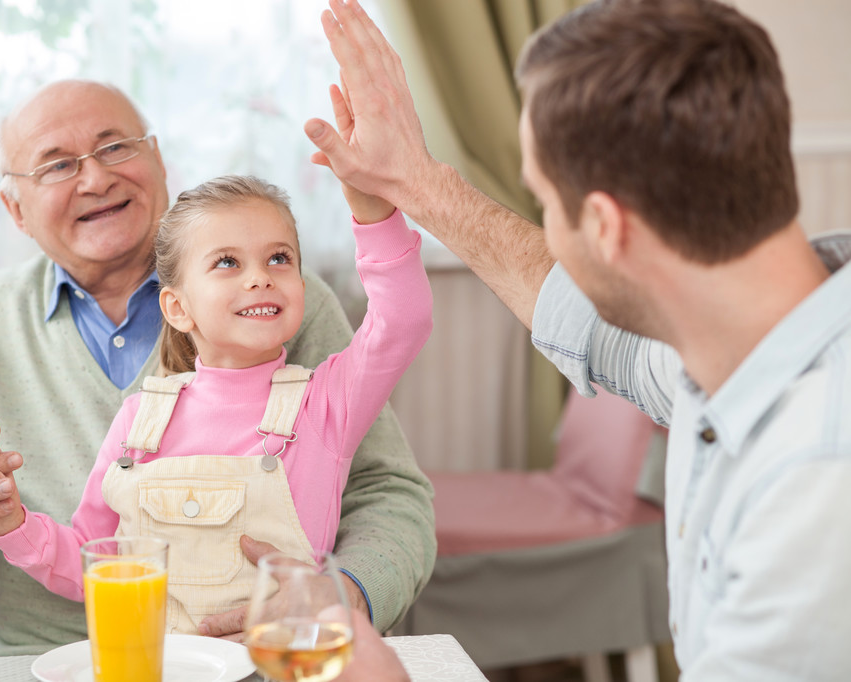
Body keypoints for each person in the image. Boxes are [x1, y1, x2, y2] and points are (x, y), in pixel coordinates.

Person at [309, 0, 851, 679]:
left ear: (605, 227)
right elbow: (578, 317)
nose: (548, 231)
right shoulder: (732, 344)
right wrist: (414, 181)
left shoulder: (819, 475)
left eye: (542, 199)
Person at [0, 79, 437, 656]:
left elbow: (387, 488)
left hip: (274, 652)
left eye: (115, 147)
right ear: (14, 208)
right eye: (58, 165)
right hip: (45, 658)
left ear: (159, 160)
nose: (95, 178)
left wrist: (341, 597)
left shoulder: (284, 308)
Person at [0, 173, 431, 635]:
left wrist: (375, 215)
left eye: (279, 258)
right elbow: (90, 559)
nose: (260, 278)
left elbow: (403, 318)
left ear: (302, 290)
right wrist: (11, 522)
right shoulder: (139, 421)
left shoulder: (327, 404)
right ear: (177, 308)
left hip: (284, 667)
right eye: (228, 262)